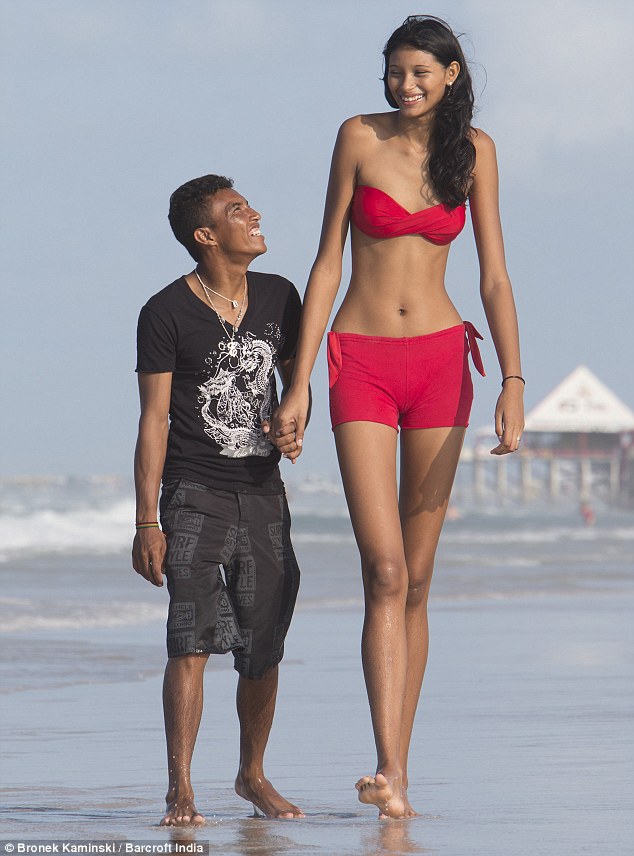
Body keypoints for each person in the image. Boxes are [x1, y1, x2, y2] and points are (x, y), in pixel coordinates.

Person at [272, 15, 524, 819]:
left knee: (416, 580)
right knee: (382, 570)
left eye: (419, 71)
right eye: (394, 72)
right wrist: (299, 380)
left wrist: (513, 379)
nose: (404, 84)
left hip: (444, 366)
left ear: (451, 73)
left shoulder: (475, 152)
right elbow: (324, 262)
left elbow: (494, 276)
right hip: (362, 362)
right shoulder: (357, 137)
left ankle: (399, 775)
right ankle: (383, 763)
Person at [132, 174, 306, 825]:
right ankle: (180, 788)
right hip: (193, 495)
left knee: (262, 648)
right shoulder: (165, 312)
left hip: (263, 497)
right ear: (206, 235)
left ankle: (251, 775)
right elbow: (153, 420)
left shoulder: (279, 297)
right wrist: (147, 518)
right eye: (238, 210)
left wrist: (296, 418)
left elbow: (299, 383)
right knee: (191, 640)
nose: (255, 214)